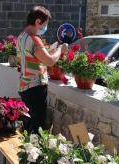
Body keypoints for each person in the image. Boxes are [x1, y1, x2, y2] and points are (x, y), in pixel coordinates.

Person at [16, 6, 68, 135]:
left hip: (25, 85)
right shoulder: (34, 39)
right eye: (44, 25)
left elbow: (32, 57)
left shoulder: (22, 36)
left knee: (28, 121)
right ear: (38, 22)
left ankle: (23, 150)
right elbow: (50, 61)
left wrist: (48, 52)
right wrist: (59, 51)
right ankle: (30, 152)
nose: (45, 28)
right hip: (35, 87)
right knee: (36, 122)